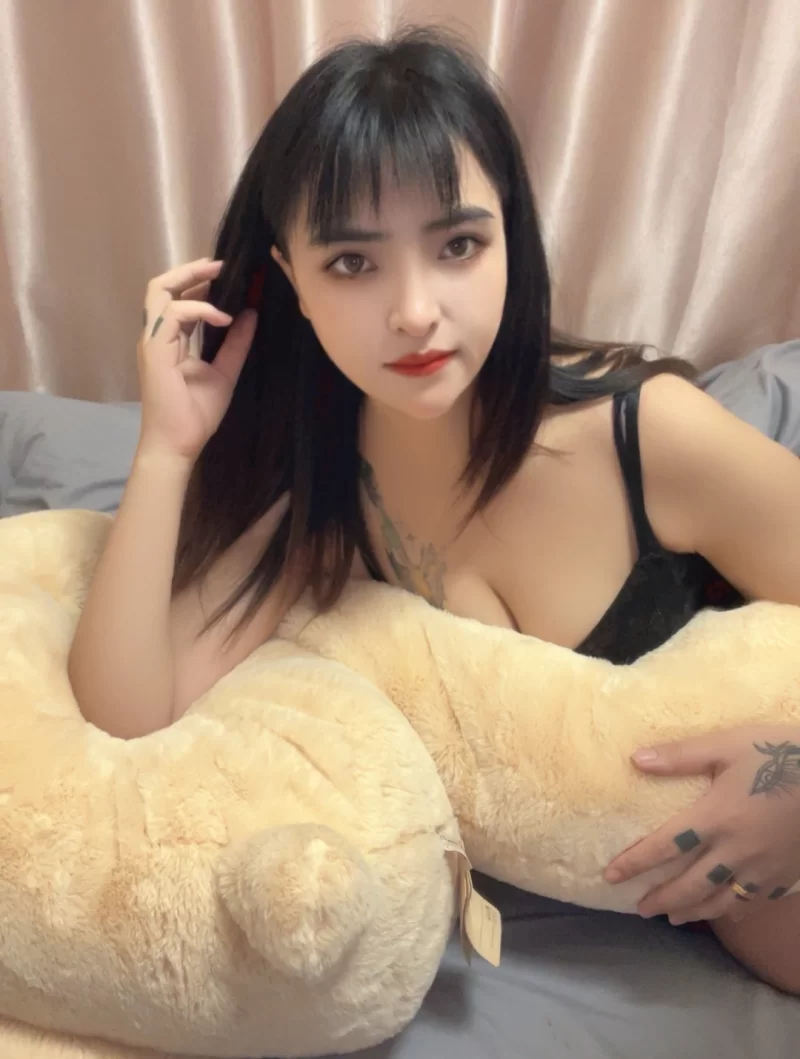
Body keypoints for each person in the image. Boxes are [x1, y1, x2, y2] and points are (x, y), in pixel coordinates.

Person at [67, 27, 800, 994]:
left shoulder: (650, 435)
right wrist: (165, 450)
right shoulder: (323, 493)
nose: (414, 310)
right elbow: (124, 713)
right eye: (352, 263)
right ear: (291, 281)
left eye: (458, 245)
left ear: (511, 239)